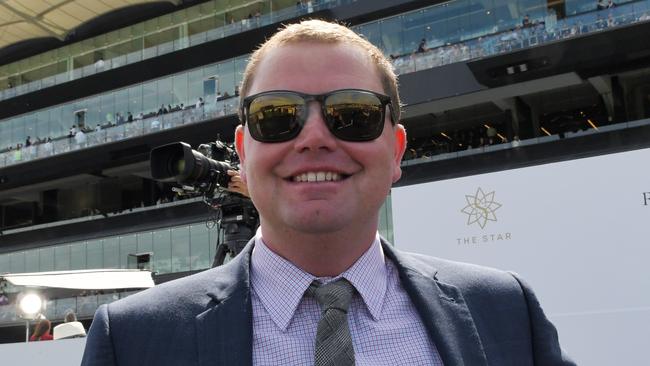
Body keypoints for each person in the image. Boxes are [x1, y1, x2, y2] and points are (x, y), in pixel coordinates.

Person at [82, 20, 575, 366]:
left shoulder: (504, 310)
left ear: (397, 150)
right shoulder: (132, 340)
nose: (314, 137)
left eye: (353, 114)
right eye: (276, 115)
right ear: (243, 152)